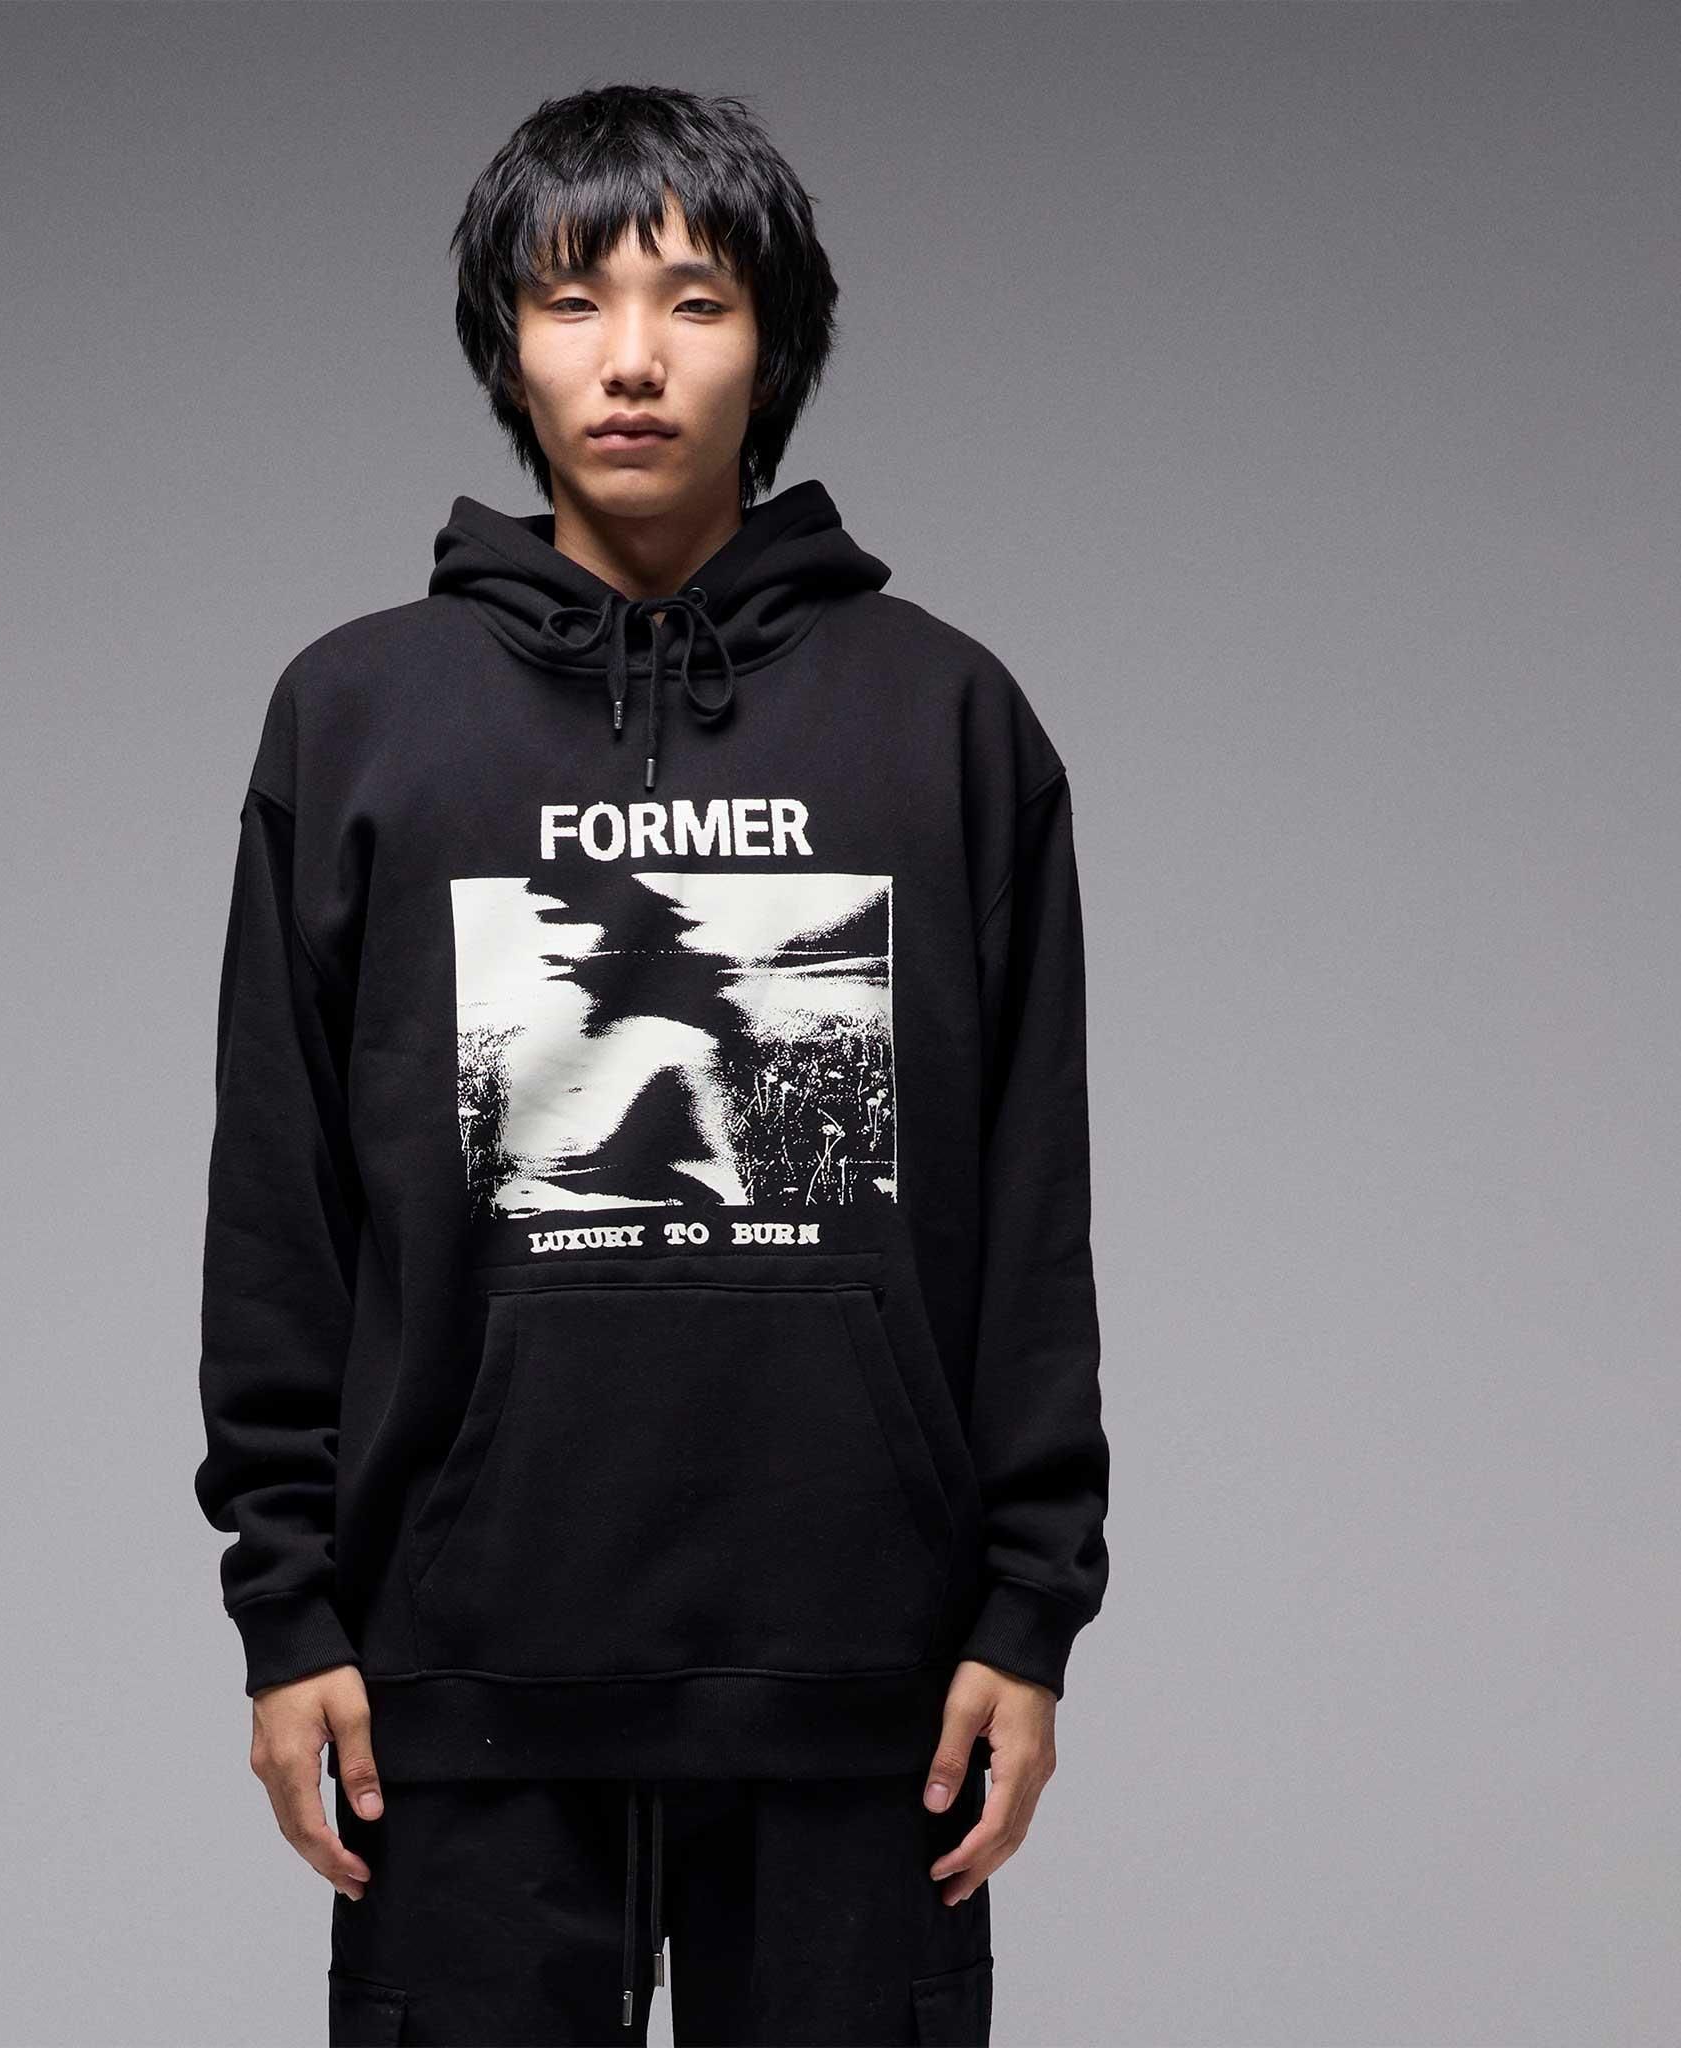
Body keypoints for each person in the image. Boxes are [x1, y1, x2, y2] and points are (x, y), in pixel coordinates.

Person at [194, 81, 1110, 2048]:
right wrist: (286, 1611)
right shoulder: (357, 717)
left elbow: (1034, 1210)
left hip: (863, 1681)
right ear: (504, 344)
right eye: (570, 300)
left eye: (694, 301)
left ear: (772, 341)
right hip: (457, 1681)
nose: (631, 359)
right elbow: (281, 1202)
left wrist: (1029, 1613)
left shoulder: (946, 721)